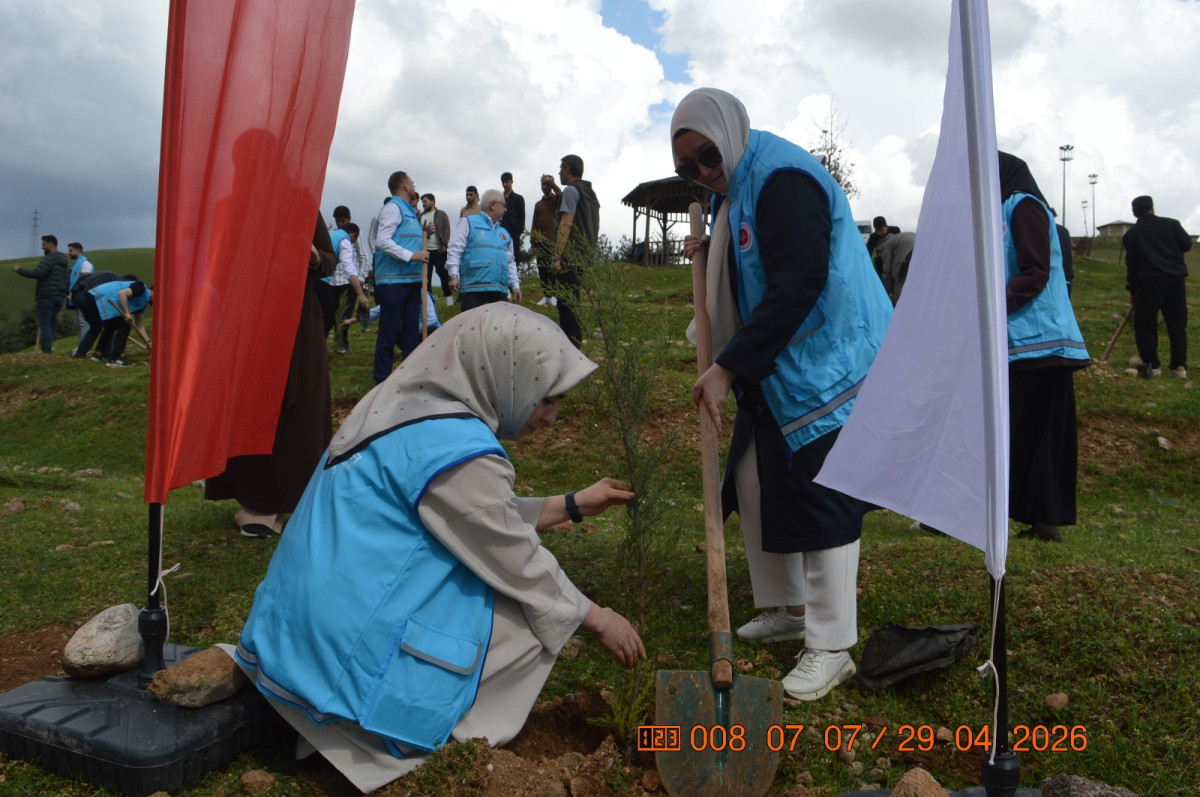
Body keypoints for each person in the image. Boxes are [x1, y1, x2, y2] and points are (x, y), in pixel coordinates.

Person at [231, 304, 645, 792]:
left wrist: (575, 503)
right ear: (507, 375)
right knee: (528, 616)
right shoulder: (455, 446)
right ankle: (394, 739)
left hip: (295, 633)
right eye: (546, 399)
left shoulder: (403, 406)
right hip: (336, 654)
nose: (551, 418)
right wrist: (597, 617)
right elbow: (511, 552)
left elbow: (481, 515)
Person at [671, 88, 892, 701]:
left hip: (828, 358)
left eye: (708, 156)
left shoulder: (783, 180)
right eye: (687, 167)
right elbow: (755, 260)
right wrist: (713, 250)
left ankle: (831, 645)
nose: (703, 172)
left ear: (731, 132)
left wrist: (726, 366)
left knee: (825, 496)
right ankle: (788, 607)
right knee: (751, 475)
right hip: (781, 362)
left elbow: (798, 282)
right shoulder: (738, 189)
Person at [205, 212, 336, 537]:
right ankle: (257, 501)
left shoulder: (302, 202)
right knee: (252, 402)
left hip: (296, 319)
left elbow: (328, 261)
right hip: (247, 314)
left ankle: (289, 497)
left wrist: (313, 254)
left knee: (298, 408)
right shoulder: (236, 201)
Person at [998, 152, 1090, 543]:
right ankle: (1037, 520)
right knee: (1023, 434)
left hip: (1041, 342)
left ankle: (1045, 521)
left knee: (1040, 435)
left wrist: (991, 302)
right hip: (1020, 343)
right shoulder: (1003, 209)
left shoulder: (1024, 205)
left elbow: (1036, 270)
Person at [1122, 194, 1192, 380]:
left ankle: (1152, 366)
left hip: (1150, 280)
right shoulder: (1171, 224)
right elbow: (1186, 245)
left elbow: (1132, 265)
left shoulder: (1132, 234)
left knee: (1145, 322)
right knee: (1177, 323)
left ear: (1134, 212)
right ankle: (1179, 367)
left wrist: (1133, 291)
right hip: (1175, 278)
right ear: (1152, 208)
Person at [372, 171, 430, 384]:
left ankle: (409, 380)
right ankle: (382, 382)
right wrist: (412, 256)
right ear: (405, 185)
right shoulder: (393, 208)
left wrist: (426, 234)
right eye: (412, 182)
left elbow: (406, 238)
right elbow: (383, 241)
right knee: (389, 332)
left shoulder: (409, 212)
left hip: (411, 281)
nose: (414, 185)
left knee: (411, 335)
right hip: (393, 281)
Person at [551, 154, 600, 347]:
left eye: (561, 167)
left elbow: (566, 224)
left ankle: (571, 350)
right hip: (582, 256)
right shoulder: (590, 193)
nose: (559, 172)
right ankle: (574, 347)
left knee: (567, 306)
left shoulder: (571, 191)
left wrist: (556, 256)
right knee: (572, 302)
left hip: (569, 257)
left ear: (567, 169)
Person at [447, 189, 522, 311]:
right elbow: (455, 249)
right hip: (474, 291)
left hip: (500, 292)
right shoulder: (468, 222)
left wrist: (515, 286)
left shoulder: (504, 233)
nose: (505, 209)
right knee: (473, 329)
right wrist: (453, 275)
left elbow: (510, 262)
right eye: (504, 205)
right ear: (493, 205)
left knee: (497, 329)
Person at [72, 278, 151, 366]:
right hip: (94, 298)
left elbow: (139, 325)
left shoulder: (142, 304)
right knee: (125, 327)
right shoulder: (140, 288)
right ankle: (115, 359)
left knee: (109, 326)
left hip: (98, 302)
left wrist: (148, 342)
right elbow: (122, 294)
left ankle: (98, 355)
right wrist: (127, 313)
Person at [12, 234, 70, 353]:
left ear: (51, 244)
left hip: (47, 295)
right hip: (60, 296)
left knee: (45, 324)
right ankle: (48, 349)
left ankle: (46, 351)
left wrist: (19, 270)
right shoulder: (64, 261)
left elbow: (37, 273)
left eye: (44, 244)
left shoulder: (49, 258)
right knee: (51, 324)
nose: (42, 247)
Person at [324, 222, 370, 347]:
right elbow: (349, 269)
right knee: (328, 317)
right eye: (354, 241)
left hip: (315, 278)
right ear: (353, 235)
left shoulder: (330, 235)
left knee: (322, 317)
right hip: (323, 280)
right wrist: (360, 294)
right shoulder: (345, 241)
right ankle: (317, 355)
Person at [531, 174, 562, 307]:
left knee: (553, 269)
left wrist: (553, 184)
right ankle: (546, 295)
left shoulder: (556, 200)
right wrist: (533, 242)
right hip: (540, 241)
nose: (545, 186)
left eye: (547, 184)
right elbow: (534, 224)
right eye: (543, 184)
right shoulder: (538, 205)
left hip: (553, 240)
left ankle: (554, 295)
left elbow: (561, 195)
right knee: (542, 269)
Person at [419, 193, 455, 306]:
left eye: (425, 201)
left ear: (433, 201)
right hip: (426, 251)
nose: (423, 204)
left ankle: (449, 299)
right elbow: (418, 233)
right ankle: (429, 303)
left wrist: (444, 244)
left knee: (444, 274)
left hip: (440, 250)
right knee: (427, 277)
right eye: (422, 202)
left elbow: (447, 228)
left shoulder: (441, 214)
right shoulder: (419, 217)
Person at [874, 230, 916, 303]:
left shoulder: (885, 246)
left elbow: (887, 270)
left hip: (908, 252)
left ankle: (899, 310)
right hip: (920, 247)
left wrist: (885, 293)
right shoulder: (896, 239)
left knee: (899, 282)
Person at [65, 242, 95, 342]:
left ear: (78, 250)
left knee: (83, 322)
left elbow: (85, 280)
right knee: (80, 322)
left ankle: (83, 347)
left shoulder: (85, 263)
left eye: (71, 250)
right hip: (77, 297)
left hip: (83, 297)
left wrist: (73, 294)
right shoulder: (78, 264)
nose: (69, 253)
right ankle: (81, 346)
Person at [500, 171, 526, 265]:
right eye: (503, 182)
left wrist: (518, 231)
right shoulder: (499, 199)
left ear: (511, 182)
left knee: (514, 260)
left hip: (514, 233)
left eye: (507, 181)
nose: (505, 184)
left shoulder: (518, 198)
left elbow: (522, 217)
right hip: (501, 232)